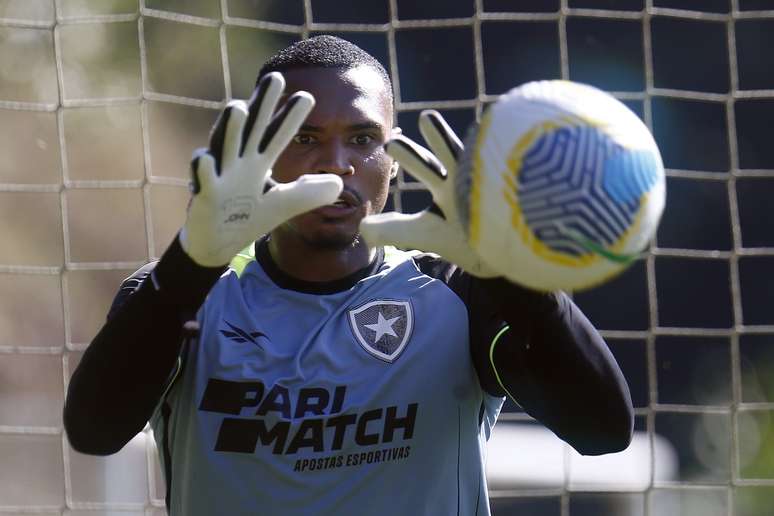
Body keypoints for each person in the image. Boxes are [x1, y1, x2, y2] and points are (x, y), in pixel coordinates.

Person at [64, 35, 633, 516]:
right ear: (260, 152)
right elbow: (94, 432)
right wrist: (189, 263)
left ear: (391, 155)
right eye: (304, 138)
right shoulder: (186, 293)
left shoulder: (460, 292)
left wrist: (512, 271)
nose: (337, 163)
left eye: (362, 139)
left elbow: (603, 432)